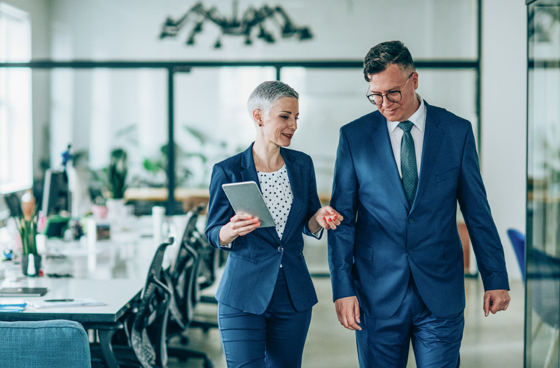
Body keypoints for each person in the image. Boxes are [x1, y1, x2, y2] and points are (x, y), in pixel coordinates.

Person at [328, 40, 511, 367]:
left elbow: (477, 211)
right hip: (376, 291)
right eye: (376, 95)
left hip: (440, 291)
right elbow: (342, 220)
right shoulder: (353, 137)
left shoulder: (456, 131)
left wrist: (495, 277)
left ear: (414, 80)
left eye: (393, 93)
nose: (384, 104)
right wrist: (342, 289)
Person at [206, 80, 343, 368]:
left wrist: (320, 219)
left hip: (293, 295)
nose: (293, 125)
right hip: (242, 294)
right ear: (258, 117)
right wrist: (231, 230)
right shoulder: (227, 170)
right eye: (285, 116)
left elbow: (309, 221)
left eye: (296, 117)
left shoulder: (301, 165)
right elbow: (213, 233)